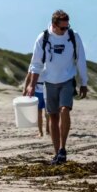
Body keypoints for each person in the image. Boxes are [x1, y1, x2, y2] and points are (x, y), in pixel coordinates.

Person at [25, 10, 88, 165]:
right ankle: (56, 153)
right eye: (62, 28)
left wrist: (84, 82)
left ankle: (63, 148)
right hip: (49, 82)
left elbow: (81, 60)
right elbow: (36, 64)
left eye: (67, 27)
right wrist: (31, 85)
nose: (65, 30)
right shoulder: (43, 38)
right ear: (54, 25)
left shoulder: (73, 37)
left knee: (65, 109)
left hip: (67, 80)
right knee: (52, 116)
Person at [23, 69, 49, 137]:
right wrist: (25, 90)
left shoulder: (49, 59)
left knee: (48, 112)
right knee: (38, 112)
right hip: (37, 89)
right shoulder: (34, 61)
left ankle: (48, 130)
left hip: (48, 88)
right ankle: (40, 132)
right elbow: (28, 76)